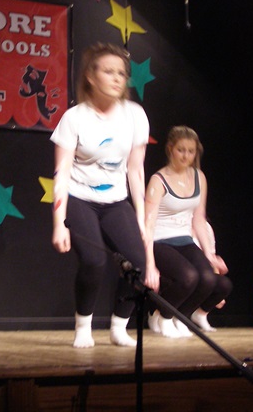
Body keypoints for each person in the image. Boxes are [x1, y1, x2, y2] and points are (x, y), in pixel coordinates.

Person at [51, 43, 150, 348]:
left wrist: (142, 219)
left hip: (115, 201)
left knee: (138, 262)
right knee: (94, 261)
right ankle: (83, 326)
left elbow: (135, 171)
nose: (117, 78)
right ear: (91, 77)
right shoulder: (74, 118)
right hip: (80, 198)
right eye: (108, 71)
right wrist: (59, 223)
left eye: (121, 73)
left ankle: (119, 326)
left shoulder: (135, 115)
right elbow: (62, 173)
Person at [144, 126, 232, 338]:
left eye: (191, 151)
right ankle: (164, 317)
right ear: (170, 149)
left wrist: (209, 254)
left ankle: (180, 317)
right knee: (188, 277)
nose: (186, 156)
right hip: (159, 240)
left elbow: (199, 218)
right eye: (181, 150)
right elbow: (148, 223)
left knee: (208, 278)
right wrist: (149, 263)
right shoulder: (158, 179)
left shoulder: (199, 177)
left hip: (184, 239)